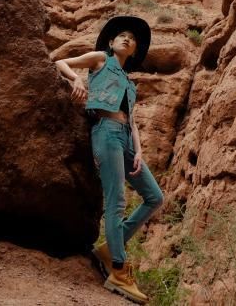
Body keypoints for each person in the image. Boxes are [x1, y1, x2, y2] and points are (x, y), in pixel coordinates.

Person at [56, 15, 163, 304]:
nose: (127, 38)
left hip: (127, 139)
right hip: (105, 133)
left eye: (133, 38)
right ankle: (118, 269)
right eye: (122, 35)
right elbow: (60, 62)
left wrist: (139, 150)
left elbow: (134, 121)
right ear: (112, 42)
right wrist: (75, 78)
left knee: (155, 197)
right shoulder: (100, 59)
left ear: (134, 50)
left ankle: (108, 249)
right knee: (116, 201)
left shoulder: (130, 83)